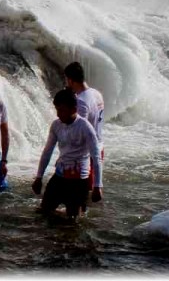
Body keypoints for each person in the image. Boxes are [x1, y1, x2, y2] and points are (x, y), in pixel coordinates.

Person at [32, 88, 101, 221]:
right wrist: (39, 177)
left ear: (73, 109)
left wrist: (98, 186)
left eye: (61, 110)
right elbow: (47, 152)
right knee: (43, 213)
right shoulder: (56, 125)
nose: (58, 114)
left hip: (79, 181)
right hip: (59, 176)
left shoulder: (85, 128)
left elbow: (96, 157)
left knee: (73, 221)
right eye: (57, 109)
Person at [65, 62, 105, 200]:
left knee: (82, 191)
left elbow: (79, 130)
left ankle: (80, 217)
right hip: (99, 146)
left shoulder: (81, 101)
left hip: (87, 152)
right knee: (87, 191)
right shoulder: (97, 94)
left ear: (70, 80)